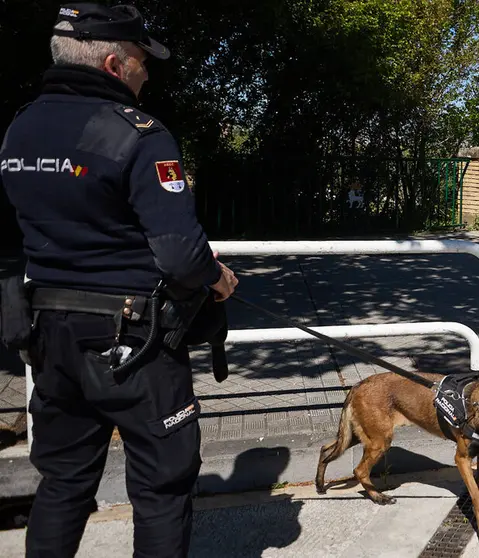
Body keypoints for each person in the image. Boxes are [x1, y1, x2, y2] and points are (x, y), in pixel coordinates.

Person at [0, 5, 239, 557]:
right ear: (113, 63)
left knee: (61, 484)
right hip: (134, 342)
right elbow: (180, 254)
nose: (146, 73)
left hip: (49, 335)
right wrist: (218, 278)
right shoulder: (140, 134)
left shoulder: (20, 127)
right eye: (139, 61)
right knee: (162, 487)